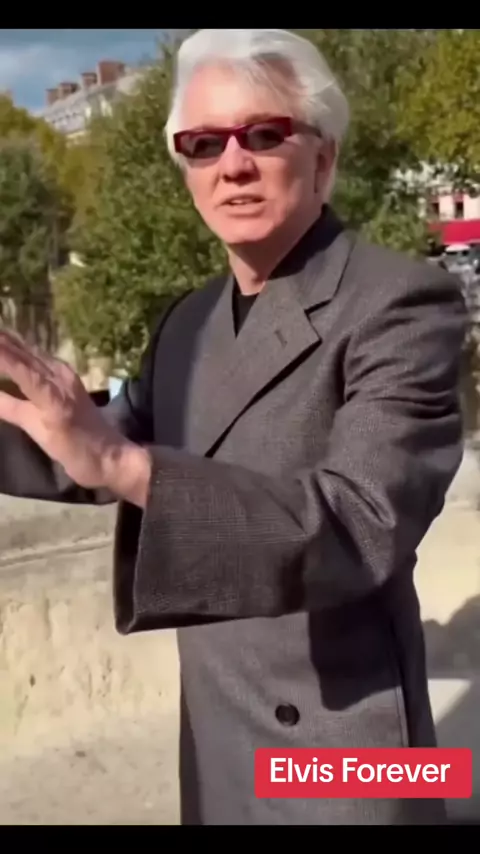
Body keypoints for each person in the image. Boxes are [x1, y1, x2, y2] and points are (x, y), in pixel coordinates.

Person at [0, 29, 467, 825]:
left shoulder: (401, 302)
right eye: (203, 143)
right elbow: (86, 446)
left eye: (264, 134)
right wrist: (79, 439)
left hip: (344, 759)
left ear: (323, 158)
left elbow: (359, 524)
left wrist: (124, 464)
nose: (233, 164)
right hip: (219, 750)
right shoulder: (188, 323)